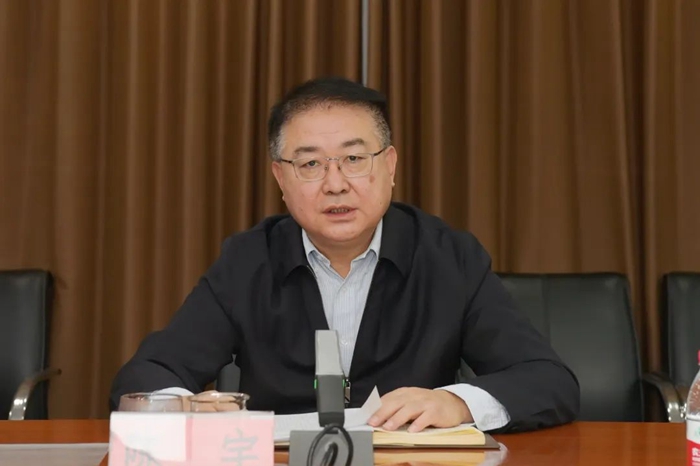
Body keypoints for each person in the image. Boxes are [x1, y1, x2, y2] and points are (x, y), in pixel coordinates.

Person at [110, 76, 579, 433]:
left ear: (389, 166)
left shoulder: (449, 257)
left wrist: (456, 403)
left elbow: (548, 381)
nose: (335, 183)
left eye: (354, 159)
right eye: (311, 164)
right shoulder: (248, 260)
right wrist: (184, 408)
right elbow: (147, 375)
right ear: (281, 179)